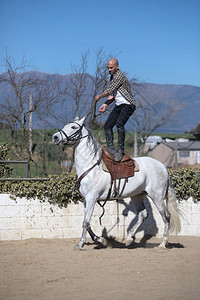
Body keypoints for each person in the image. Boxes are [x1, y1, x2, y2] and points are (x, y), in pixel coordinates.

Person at [94, 58, 136, 162]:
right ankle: (111, 150)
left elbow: (109, 91)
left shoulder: (119, 76)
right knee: (108, 125)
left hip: (128, 104)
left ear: (117, 67)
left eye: (111, 67)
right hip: (118, 105)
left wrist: (99, 96)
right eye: (108, 68)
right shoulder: (112, 78)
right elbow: (113, 95)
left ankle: (120, 151)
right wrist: (105, 104)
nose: (109, 70)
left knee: (119, 124)